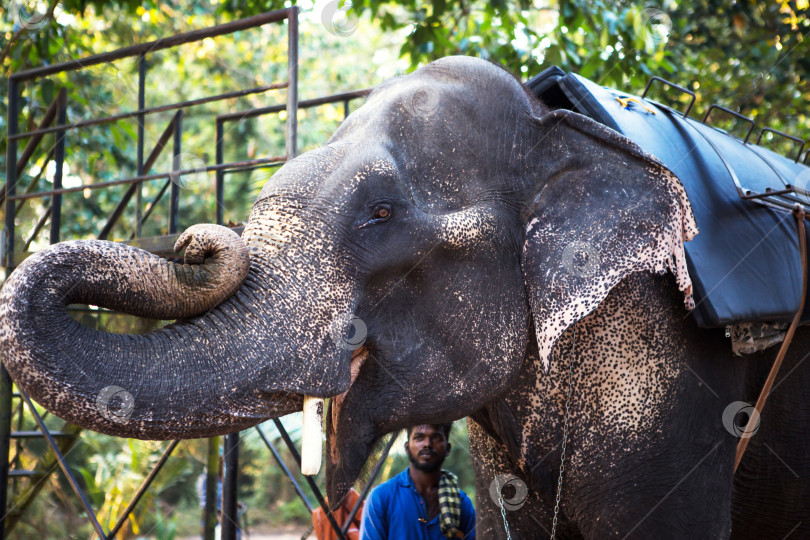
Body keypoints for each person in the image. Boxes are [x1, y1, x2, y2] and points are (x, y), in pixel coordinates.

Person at [360, 423, 476, 539]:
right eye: (419, 438)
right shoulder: (381, 498)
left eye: (436, 438)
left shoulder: (461, 503)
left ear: (447, 448)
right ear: (407, 448)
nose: (427, 444)